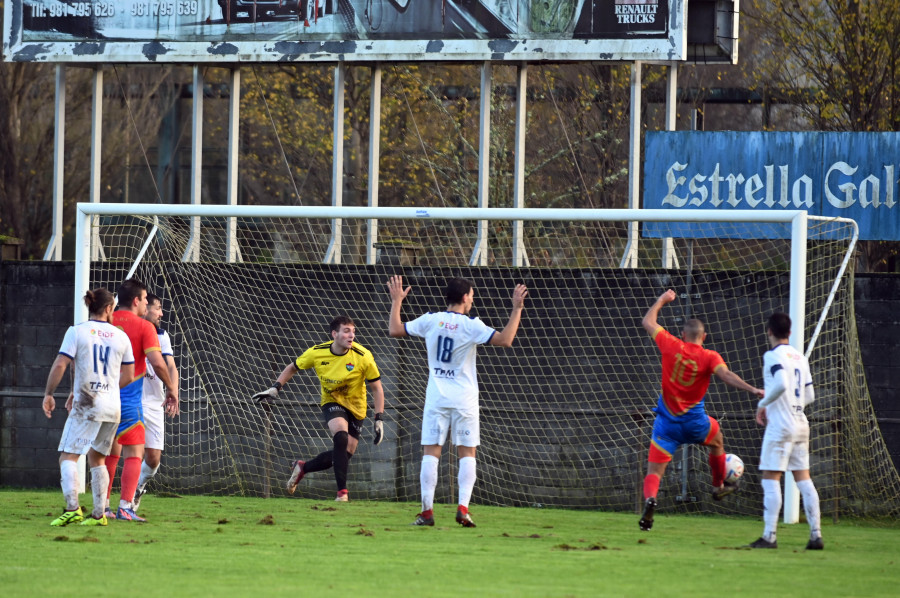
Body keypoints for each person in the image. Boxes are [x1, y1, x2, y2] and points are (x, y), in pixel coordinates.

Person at [388, 275, 528, 528]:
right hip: (464, 399)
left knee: (431, 452)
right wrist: (516, 309)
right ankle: (463, 509)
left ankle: (426, 512)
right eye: (472, 295)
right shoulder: (471, 325)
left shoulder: (431, 320)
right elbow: (506, 339)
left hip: (436, 397)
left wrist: (397, 301)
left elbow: (395, 330)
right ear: (464, 298)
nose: (473, 299)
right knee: (467, 453)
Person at [638, 289, 764, 532]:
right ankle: (717, 486)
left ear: (683, 335)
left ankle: (650, 500)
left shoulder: (670, 344)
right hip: (696, 424)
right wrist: (752, 389)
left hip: (667, 426)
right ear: (703, 337)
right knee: (717, 441)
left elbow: (647, 321)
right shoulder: (709, 356)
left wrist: (662, 300)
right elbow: (726, 376)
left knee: (654, 471)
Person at [253, 316, 386, 502]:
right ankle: (342, 494)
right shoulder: (317, 352)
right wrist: (275, 388)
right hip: (332, 401)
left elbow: (377, 388)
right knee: (340, 436)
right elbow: (292, 367)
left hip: (357, 406)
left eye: (353, 331)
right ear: (334, 334)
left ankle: (302, 468)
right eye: (347, 331)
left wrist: (378, 418)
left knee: (344, 454)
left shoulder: (363, 356)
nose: (352, 335)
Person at [43, 288, 135, 527]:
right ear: (108, 309)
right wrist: (109, 389)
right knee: (98, 458)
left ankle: (73, 508)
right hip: (112, 406)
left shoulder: (77, 331)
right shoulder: (121, 336)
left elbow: (61, 363)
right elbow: (130, 374)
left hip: (88, 403)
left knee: (68, 456)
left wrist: (49, 393)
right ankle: (98, 514)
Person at [747, 312, 823, 550]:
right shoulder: (800, 357)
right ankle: (816, 535)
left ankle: (769, 536)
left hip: (781, 426)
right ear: (789, 332)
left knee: (771, 477)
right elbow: (810, 395)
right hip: (801, 423)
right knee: (804, 479)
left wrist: (763, 404)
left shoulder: (772, 355)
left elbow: (781, 383)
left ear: (769, 331)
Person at [106, 278, 177, 522]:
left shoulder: (104, 321)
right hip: (128, 399)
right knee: (134, 452)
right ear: (136, 301)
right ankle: (126, 507)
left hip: (101, 397)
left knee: (105, 453)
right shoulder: (144, 328)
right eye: (146, 300)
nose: (147, 304)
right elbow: (158, 363)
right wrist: (171, 388)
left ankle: (101, 506)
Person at [133, 294, 180, 513]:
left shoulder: (162, 335)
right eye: (158, 308)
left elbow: (170, 366)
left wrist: (173, 390)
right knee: (130, 453)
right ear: (144, 307)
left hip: (154, 403)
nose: (161, 313)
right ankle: (109, 504)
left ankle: (138, 487)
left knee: (153, 459)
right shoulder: (129, 330)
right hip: (130, 399)